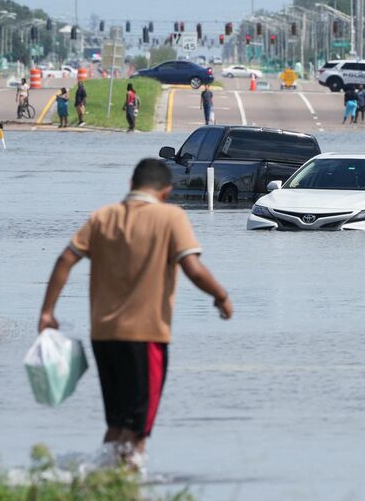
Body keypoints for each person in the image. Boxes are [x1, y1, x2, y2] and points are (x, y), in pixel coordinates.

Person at [37, 158, 233, 472]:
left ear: (130, 184)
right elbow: (193, 269)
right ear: (167, 192)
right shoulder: (171, 217)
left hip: (103, 337)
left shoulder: (103, 217)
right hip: (146, 337)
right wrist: (221, 296)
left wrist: (47, 312)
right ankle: (125, 486)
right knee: (138, 430)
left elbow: (65, 259)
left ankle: (100, 483)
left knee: (117, 425)